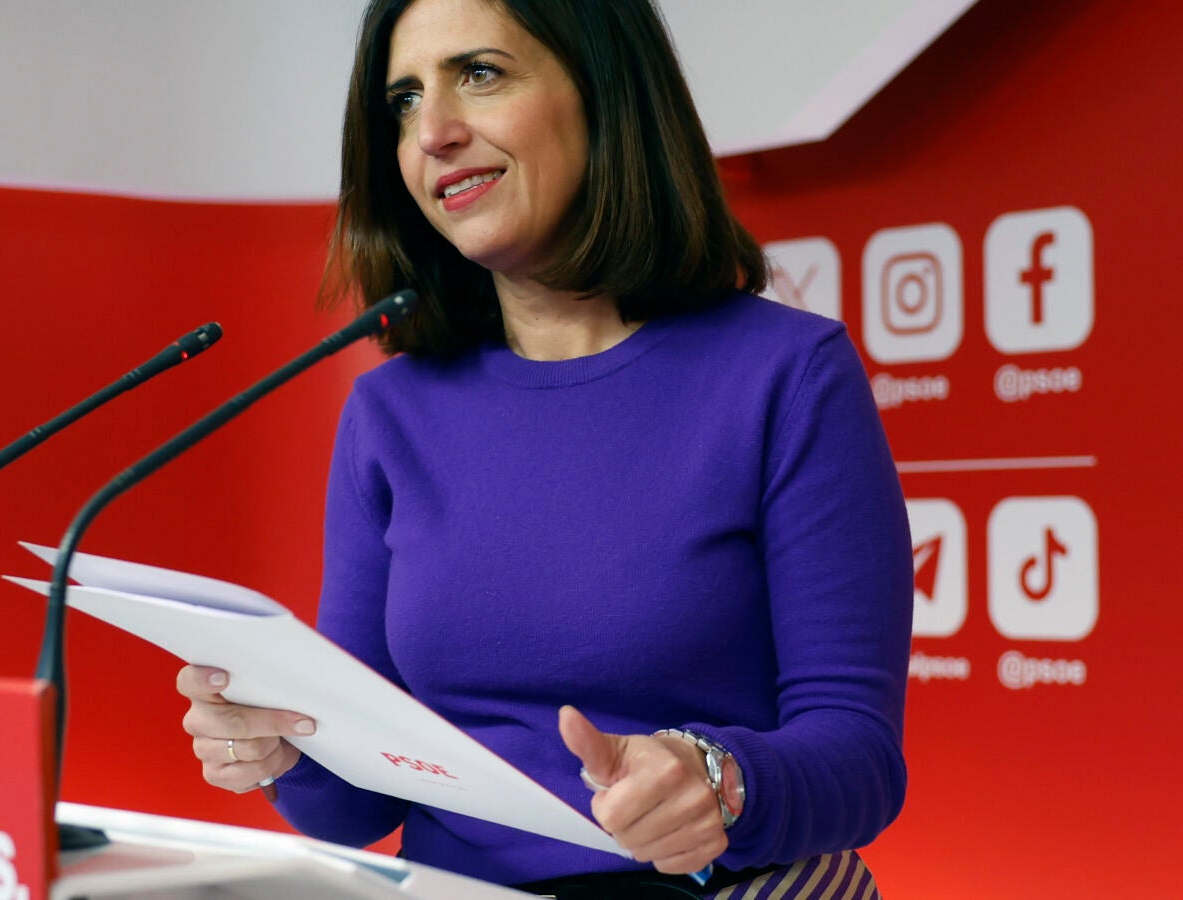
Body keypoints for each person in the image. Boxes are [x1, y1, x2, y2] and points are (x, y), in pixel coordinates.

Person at [177, 0, 912, 895]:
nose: (433, 133)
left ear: (605, 93)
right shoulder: (389, 412)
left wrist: (720, 780)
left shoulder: (787, 374)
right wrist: (279, 747)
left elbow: (859, 756)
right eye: (404, 101)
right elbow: (354, 807)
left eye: (479, 74)